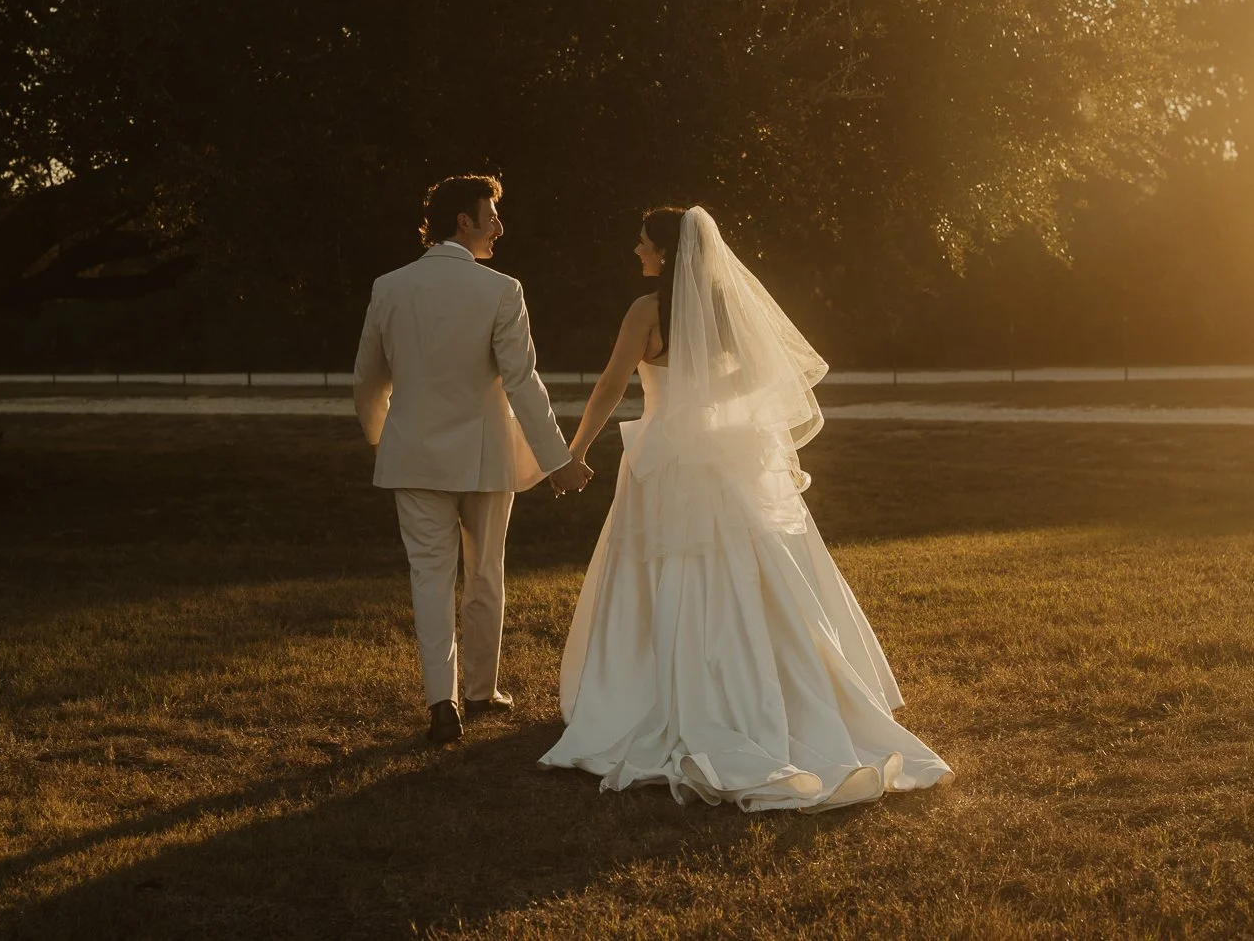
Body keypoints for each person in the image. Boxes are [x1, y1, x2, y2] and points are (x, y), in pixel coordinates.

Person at [538, 204, 950, 810]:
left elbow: (609, 384)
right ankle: (768, 688)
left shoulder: (648, 311)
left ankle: (670, 693)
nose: (637, 250)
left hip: (667, 459)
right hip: (724, 457)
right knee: (748, 571)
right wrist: (704, 402)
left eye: (644, 241)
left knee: (669, 568)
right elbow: (766, 377)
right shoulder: (728, 308)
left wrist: (573, 453)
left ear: (667, 252)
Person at [354, 174, 594, 745]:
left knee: (429, 579)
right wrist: (556, 459)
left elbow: (368, 378)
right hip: (484, 458)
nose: (499, 225)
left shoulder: (390, 287)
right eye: (492, 214)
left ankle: (444, 703)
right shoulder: (501, 290)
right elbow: (522, 381)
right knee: (486, 572)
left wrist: (382, 437)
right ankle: (481, 690)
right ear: (464, 220)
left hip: (412, 456)